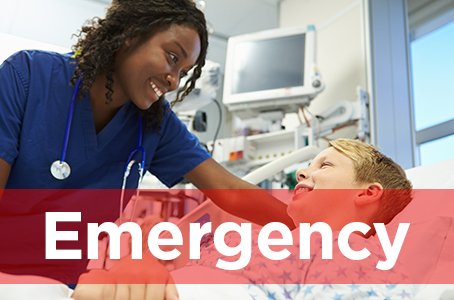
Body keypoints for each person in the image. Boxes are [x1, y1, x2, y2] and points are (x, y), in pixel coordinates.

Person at [0, 0, 293, 296]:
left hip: (67, 288)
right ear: (131, 33)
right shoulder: (27, 78)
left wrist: (315, 227)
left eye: (183, 71)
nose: (174, 80)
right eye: (171, 57)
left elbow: (229, 190)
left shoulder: (154, 123)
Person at [171, 138, 415, 299]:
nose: (301, 173)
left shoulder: (353, 254)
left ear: (367, 193)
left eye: (325, 165)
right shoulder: (269, 241)